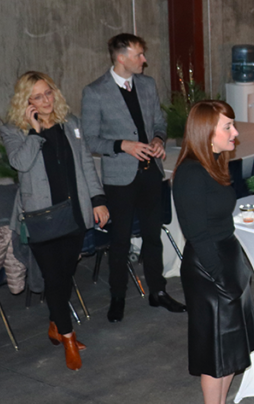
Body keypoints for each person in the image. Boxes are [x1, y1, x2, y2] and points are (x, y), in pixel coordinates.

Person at [1, 72, 109, 370]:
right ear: (26, 102)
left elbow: (86, 163)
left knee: (63, 275)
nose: (46, 100)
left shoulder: (69, 123)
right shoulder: (13, 131)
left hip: (73, 212)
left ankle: (54, 324)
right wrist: (35, 132)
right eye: (37, 96)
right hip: (42, 218)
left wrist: (97, 200)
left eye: (48, 93)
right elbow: (20, 164)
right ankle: (68, 336)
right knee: (54, 277)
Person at [81, 33, 185, 322]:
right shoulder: (95, 92)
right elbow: (89, 140)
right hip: (119, 179)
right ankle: (117, 297)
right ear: (121, 57)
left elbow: (159, 123)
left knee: (153, 236)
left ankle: (158, 292)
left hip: (151, 172)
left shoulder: (148, 85)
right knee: (120, 241)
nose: (144, 60)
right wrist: (121, 145)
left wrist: (159, 139)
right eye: (139, 55)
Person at [172, 101, 254, 404]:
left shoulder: (213, 163)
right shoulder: (191, 173)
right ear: (207, 133)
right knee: (215, 352)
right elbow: (197, 235)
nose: (235, 132)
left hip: (225, 259)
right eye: (228, 127)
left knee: (230, 348)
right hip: (209, 267)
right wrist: (222, 277)